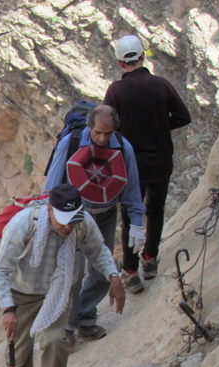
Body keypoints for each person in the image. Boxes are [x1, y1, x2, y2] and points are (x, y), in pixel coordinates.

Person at [0, 183, 125, 367]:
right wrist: (8, 308)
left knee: (55, 340)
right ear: (49, 210)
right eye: (63, 220)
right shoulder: (23, 224)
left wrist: (114, 277)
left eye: (72, 221)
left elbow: (98, 251)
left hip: (59, 289)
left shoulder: (81, 223)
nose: (67, 226)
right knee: (19, 350)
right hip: (22, 292)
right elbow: (0, 271)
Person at [43, 105, 145, 348]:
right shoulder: (71, 143)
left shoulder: (122, 147)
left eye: (107, 133)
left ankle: (85, 318)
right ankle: (66, 327)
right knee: (72, 273)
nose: (102, 138)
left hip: (105, 214)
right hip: (75, 216)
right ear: (89, 128)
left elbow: (131, 189)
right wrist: (52, 220)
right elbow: (52, 186)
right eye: (98, 133)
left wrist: (138, 224)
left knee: (102, 270)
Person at [104, 35, 192, 291]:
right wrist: (162, 126)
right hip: (161, 160)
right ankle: (150, 259)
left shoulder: (116, 91)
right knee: (156, 209)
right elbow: (183, 116)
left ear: (121, 63)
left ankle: (130, 271)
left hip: (131, 164)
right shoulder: (161, 85)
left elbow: (105, 124)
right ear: (143, 56)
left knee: (131, 215)